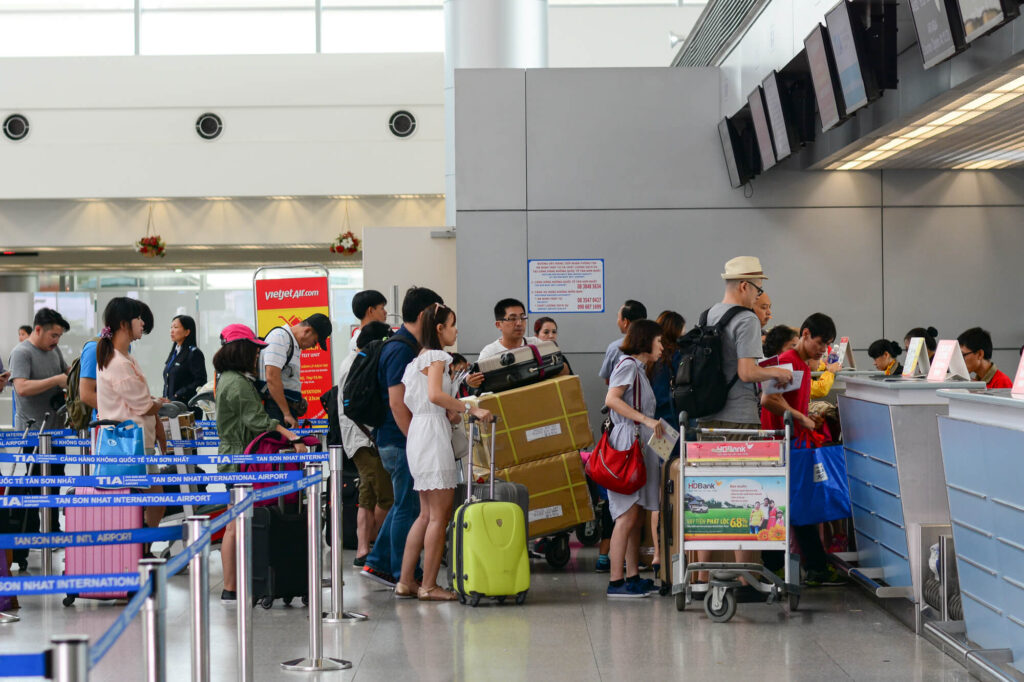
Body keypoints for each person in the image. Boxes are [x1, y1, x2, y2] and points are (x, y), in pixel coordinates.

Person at [695, 257, 792, 579]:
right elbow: (747, 372)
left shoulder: (708, 315)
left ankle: (701, 575)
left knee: (711, 498)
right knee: (747, 498)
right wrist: (777, 372)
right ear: (744, 286)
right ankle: (745, 575)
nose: (758, 296)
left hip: (708, 419)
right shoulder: (747, 319)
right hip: (738, 419)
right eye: (758, 290)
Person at [396, 304, 494, 601]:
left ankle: (406, 581)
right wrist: (470, 409)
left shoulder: (415, 361)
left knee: (425, 514)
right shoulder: (437, 357)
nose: (456, 330)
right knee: (439, 516)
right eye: (452, 324)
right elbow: (435, 394)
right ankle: (429, 585)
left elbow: (422, 399)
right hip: (433, 435)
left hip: (419, 432)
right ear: (439, 329)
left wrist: (449, 410)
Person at [214, 323, 306, 601]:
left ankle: (234, 585)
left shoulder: (232, 379)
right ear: (240, 350)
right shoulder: (237, 383)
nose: (257, 355)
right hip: (239, 458)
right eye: (254, 350)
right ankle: (231, 586)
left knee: (235, 522)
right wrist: (290, 435)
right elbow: (258, 421)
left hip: (236, 455)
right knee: (234, 523)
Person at [360, 286, 444, 588]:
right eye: (437, 313)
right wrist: (416, 441)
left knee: (403, 504)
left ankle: (379, 564)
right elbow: (397, 403)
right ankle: (403, 574)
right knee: (409, 508)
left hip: (400, 439)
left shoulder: (410, 346)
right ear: (424, 314)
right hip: (400, 439)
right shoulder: (401, 349)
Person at [760, 312, 846, 586]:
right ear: (806, 334)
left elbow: (786, 401)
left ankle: (797, 566)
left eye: (827, 345)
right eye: (820, 343)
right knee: (792, 507)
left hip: (794, 442)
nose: (823, 350)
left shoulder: (803, 365)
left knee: (796, 506)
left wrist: (806, 418)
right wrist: (801, 418)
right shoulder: (787, 361)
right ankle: (798, 567)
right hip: (783, 444)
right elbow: (768, 399)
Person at [603, 319, 664, 598]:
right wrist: (646, 420)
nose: (662, 347)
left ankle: (632, 575)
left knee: (634, 514)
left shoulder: (639, 369)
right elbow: (612, 399)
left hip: (638, 442)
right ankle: (616, 581)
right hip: (629, 443)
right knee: (626, 514)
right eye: (658, 341)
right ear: (646, 340)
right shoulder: (628, 365)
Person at [95, 297, 167, 530]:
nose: (142, 323)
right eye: (138, 318)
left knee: (142, 506)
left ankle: (141, 546)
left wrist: (152, 403)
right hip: (131, 445)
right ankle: (142, 546)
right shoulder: (119, 363)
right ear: (124, 324)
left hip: (132, 443)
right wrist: (158, 403)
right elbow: (143, 405)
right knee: (154, 502)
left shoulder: (124, 358)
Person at [8, 308, 71, 542]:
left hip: (57, 430)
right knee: (35, 483)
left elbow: (67, 372)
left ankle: (53, 528)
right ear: (37, 330)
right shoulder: (21, 353)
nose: (56, 341)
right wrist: (56, 381)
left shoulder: (54, 351)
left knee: (56, 479)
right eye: (53, 335)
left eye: (59, 336)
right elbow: (21, 387)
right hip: (34, 431)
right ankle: (33, 532)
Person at [338, 321, 395, 567]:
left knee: (367, 495)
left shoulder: (352, 360)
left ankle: (364, 549)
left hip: (359, 438)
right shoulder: (362, 362)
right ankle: (378, 546)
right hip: (365, 439)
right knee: (387, 496)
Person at [259, 313, 332, 427]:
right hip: (276, 410)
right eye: (315, 342)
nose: (313, 346)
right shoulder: (280, 337)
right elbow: (272, 378)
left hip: (283, 410)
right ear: (307, 331)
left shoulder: (294, 345)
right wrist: (286, 413)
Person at [162, 314, 207, 406]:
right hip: (171, 406)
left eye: (175, 327)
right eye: (171, 327)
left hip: (186, 407)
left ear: (187, 332)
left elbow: (200, 381)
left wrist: (178, 394)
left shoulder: (194, 353)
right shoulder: (175, 352)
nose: (171, 331)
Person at [599, 300, 647, 385]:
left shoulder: (615, 348)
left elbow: (608, 380)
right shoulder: (655, 345)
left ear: (625, 322)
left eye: (618, 317)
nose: (617, 321)